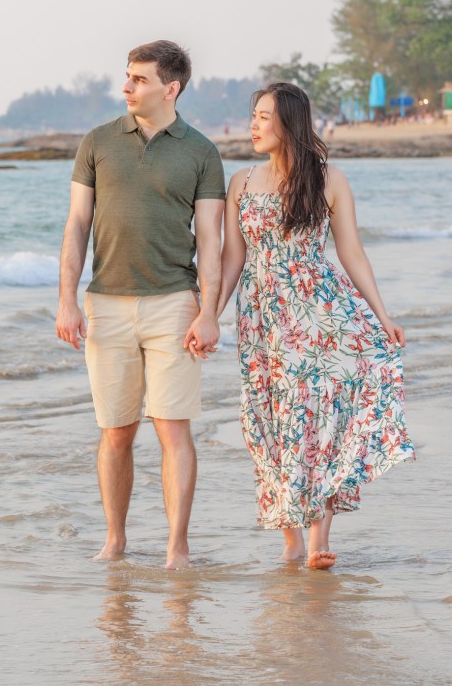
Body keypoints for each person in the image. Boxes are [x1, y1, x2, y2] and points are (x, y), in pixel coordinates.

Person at [216, 82, 415, 570]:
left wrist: (383, 315)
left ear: (289, 123)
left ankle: (317, 536)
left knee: (316, 416)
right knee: (269, 418)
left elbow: (351, 252)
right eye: (253, 116)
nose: (253, 126)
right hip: (262, 320)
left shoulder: (329, 180)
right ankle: (290, 539)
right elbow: (232, 258)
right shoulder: (241, 182)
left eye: (263, 117)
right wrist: (209, 315)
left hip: (319, 313)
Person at [57, 40, 226, 570]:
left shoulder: (201, 152)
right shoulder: (98, 141)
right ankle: (115, 541)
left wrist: (209, 312)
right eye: (127, 76)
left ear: (170, 88)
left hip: (175, 303)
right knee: (116, 431)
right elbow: (77, 224)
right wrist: (67, 301)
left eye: (139, 79)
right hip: (105, 303)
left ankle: (177, 548)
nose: (126, 86)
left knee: (173, 427)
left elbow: (210, 240)